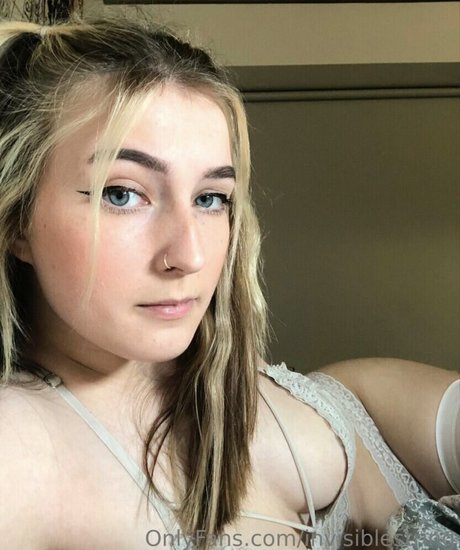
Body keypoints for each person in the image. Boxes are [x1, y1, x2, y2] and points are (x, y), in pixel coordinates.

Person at [0, 16, 458, 550]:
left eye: (210, 198)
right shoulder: (21, 451)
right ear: (17, 219)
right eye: (122, 194)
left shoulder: (282, 392)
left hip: (377, 410)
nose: (190, 256)